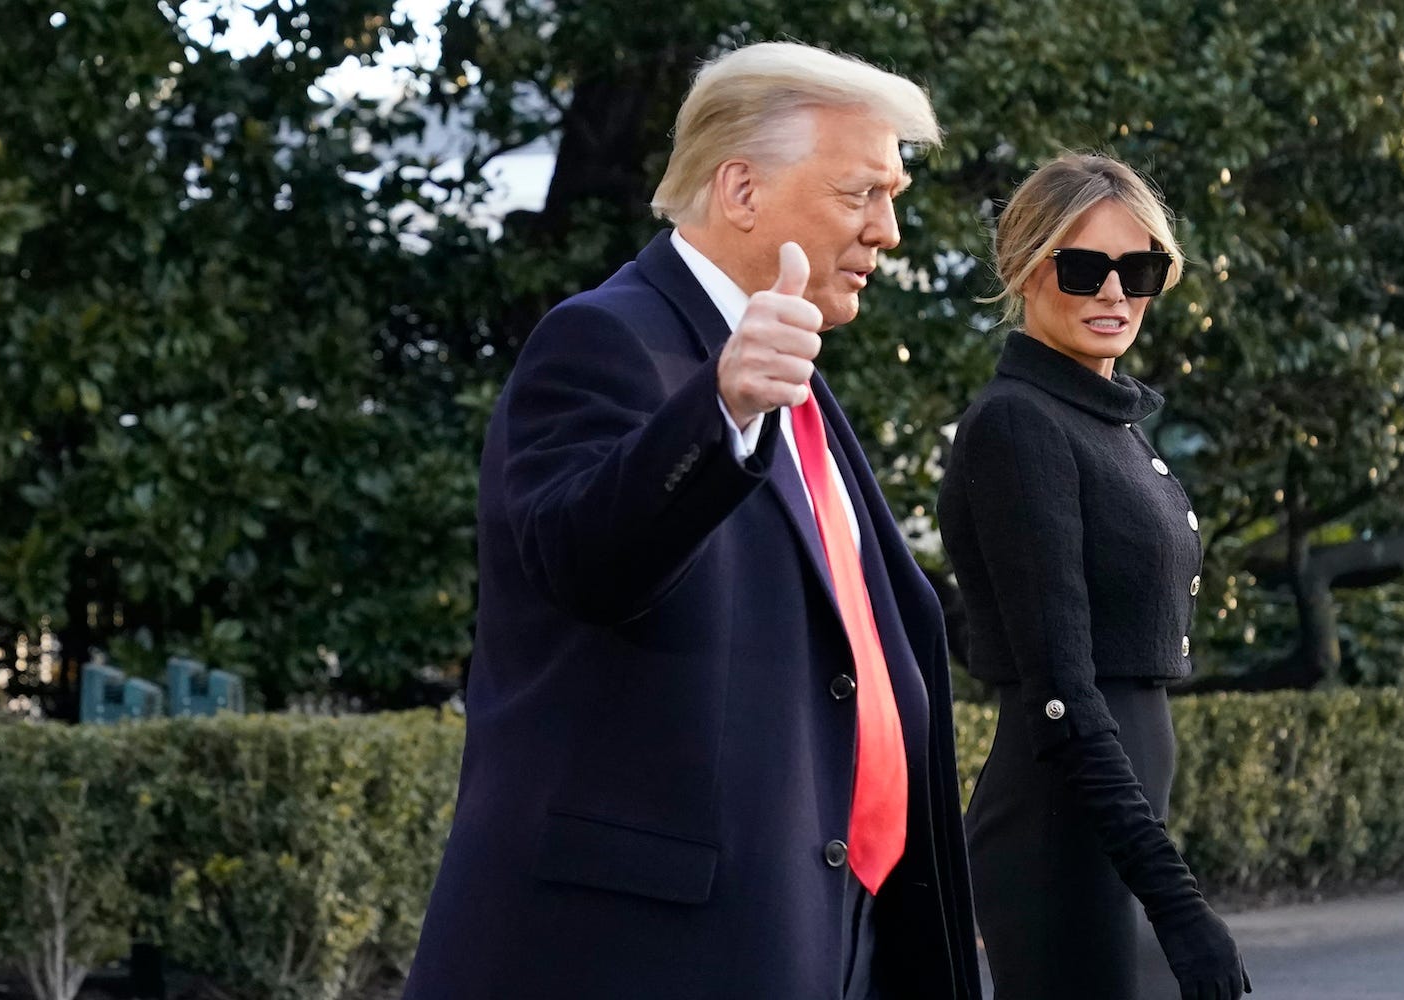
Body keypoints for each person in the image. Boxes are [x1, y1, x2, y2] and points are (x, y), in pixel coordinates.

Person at [400, 42, 981, 1000]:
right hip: (652, 955)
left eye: (894, 196)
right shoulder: (605, 339)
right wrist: (718, 406)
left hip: (828, 942)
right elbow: (585, 561)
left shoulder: (791, 377)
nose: (889, 231)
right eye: (861, 193)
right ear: (742, 191)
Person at [937, 152, 1250, 1000]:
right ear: (1026, 271)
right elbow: (1066, 696)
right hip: (1060, 829)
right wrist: (1179, 903)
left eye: (1138, 269)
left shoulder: (1106, 420)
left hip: (1112, 825)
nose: (1115, 293)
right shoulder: (1019, 426)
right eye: (1083, 268)